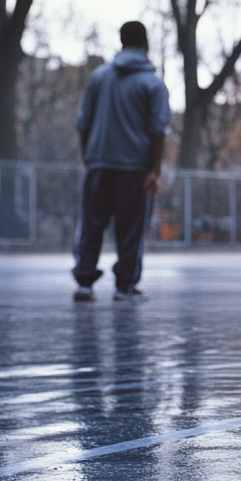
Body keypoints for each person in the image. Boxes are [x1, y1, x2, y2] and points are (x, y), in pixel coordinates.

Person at [72, 21, 171, 302]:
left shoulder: (99, 77)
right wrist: (154, 170)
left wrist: (88, 157)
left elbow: (83, 123)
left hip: (99, 163)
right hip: (134, 168)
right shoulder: (152, 83)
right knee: (131, 229)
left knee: (91, 224)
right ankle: (124, 286)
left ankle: (84, 282)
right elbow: (157, 130)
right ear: (145, 43)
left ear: (120, 40)